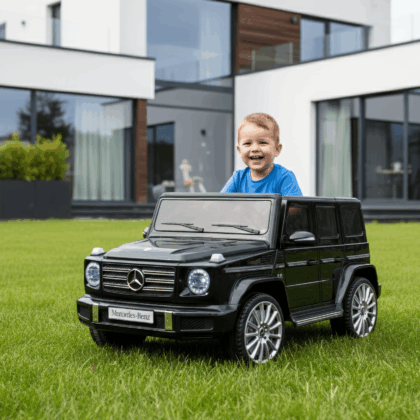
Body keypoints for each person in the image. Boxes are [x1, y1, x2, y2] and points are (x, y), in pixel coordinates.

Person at [220, 112, 303, 195]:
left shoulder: (284, 177)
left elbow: (294, 203)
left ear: (277, 149)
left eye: (263, 142)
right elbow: (220, 201)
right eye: (247, 143)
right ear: (239, 151)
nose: (255, 149)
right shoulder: (238, 178)